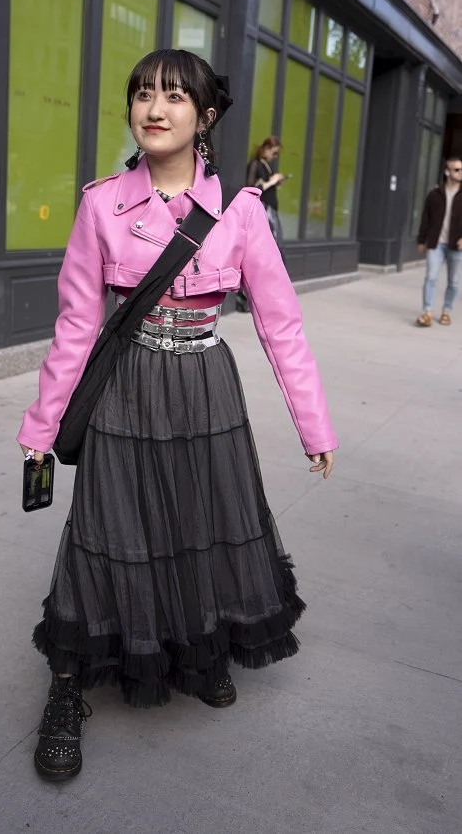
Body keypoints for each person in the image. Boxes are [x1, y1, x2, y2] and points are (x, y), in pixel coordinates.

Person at [17, 49, 338, 782]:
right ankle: (67, 688)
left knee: (200, 525)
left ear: (205, 115)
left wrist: (313, 426)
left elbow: (280, 324)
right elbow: (74, 326)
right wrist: (40, 430)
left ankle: (197, 653)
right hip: (125, 387)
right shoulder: (101, 203)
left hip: (204, 387)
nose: (153, 108)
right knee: (104, 531)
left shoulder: (240, 212)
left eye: (173, 96)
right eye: (141, 94)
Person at [236, 136, 286, 312]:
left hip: (271, 210)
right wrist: (270, 182)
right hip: (263, 211)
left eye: (277, 154)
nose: (274, 156)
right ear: (265, 148)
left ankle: (261, 296)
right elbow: (251, 189)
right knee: (264, 252)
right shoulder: (256, 164)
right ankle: (247, 297)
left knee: (275, 252)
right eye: (273, 152)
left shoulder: (266, 165)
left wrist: (275, 183)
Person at [416, 156, 462, 326]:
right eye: (456, 169)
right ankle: (427, 312)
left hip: (456, 245)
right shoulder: (434, 194)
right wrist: (422, 240)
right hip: (436, 243)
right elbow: (425, 218)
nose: (460, 173)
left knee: (454, 282)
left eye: (461, 169)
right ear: (447, 172)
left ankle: (446, 311)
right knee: (431, 277)